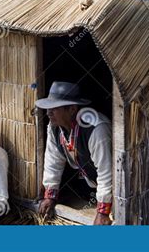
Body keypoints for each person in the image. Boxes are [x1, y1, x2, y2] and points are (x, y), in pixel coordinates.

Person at [37, 82, 113, 225]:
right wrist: (50, 196)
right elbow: (53, 161)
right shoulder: (54, 127)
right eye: (48, 108)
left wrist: (103, 211)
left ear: (72, 109)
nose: (48, 113)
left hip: (113, 187)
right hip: (88, 184)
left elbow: (106, 171)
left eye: (54, 108)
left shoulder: (96, 129)